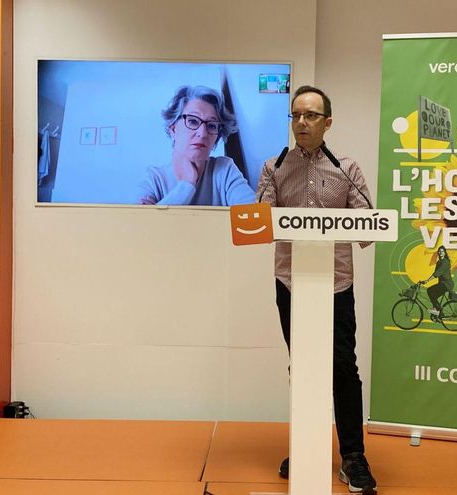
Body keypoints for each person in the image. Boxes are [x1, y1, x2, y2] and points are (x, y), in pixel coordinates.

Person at [257, 85, 377, 494]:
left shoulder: (347, 168)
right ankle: (306, 445)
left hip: (336, 285)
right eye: (296, 116)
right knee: (303, 368)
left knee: (344, 369)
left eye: (310, 116)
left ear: (328, 122)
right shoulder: (273, 167)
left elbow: (367, 229)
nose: (302, 123)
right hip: (291, 283)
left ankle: (354, 457)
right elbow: (259, 223)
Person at [137, 85, 256, 206]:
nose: (203, 133)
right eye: (193, 121)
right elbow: (142, 224)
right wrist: (187, 184)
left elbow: (257, 221)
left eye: (211, 125)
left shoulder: (224, 170)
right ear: (173, 130)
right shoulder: (154, 179)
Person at [423, 246, 453, 320]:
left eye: (442, 251)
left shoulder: (445, 262)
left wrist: (427, 280)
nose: (440, 253)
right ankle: (437, 311)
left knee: (430, 291)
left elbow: (437, 274)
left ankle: (439, 311)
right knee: (431, 293)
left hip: (447, 284)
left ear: (445, 253)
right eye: (439, 251)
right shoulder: (439, 262)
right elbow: (435, 273)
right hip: (442, 284)